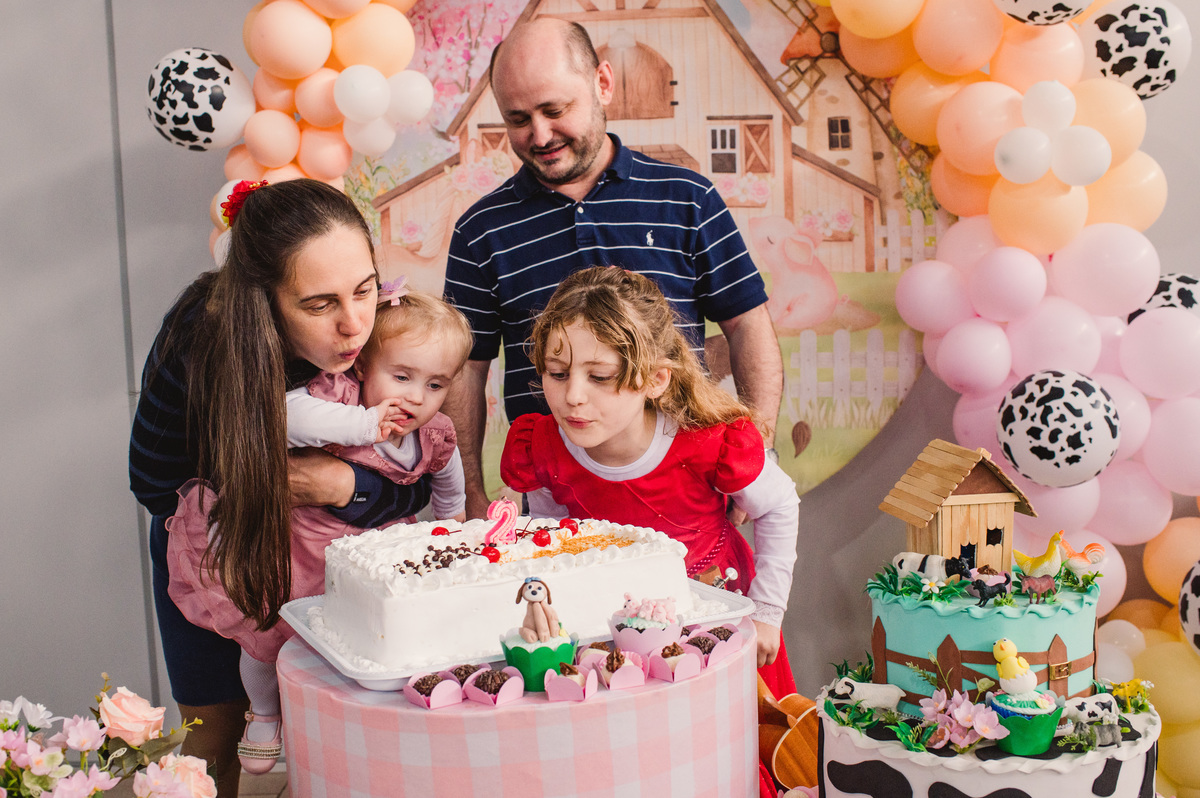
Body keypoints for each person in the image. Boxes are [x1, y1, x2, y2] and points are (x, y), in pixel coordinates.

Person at [129, 179, 435, 795]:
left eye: (365, 288)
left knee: (337, 734)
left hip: (346, 550)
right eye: (319, 304)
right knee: (214, 736)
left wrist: (344, 485)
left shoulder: (381, 332)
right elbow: (152, 480)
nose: (353, 325)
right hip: (215, 547)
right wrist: (239, 503)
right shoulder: (201, 340)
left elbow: (419, 480)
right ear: (264, 300)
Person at [444, 17, 783, 519]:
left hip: (687, 492)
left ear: (603, 83)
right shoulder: (480, 230)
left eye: (555, 110)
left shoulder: (687, 198)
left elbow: (747, 325)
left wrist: (757, 455)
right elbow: (465, 371)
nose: (540, 134)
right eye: (518, 119)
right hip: (554, 503)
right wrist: (470, 491)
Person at [165, 286, 472, 774]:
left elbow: (451, 496)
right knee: (266, 638)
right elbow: (285, 418)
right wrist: (365, 425)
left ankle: (351, 741)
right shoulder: (338, 402)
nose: (415, 397)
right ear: (363, 369)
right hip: (296, 552)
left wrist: (452, 534)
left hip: (368, 562)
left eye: (436, 385)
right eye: (401, 376)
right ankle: (263, 713)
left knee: (367, 646)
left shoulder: (435, 437)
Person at [499, 266, 798, 668]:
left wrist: (766, 613)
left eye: (600, 376)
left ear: (655, 379)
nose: (573, 395)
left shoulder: (707, 441)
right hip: (607, 631)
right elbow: (556, 544)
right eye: (557, 373)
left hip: (713, 618)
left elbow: (779, 505)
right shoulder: (542, 448)